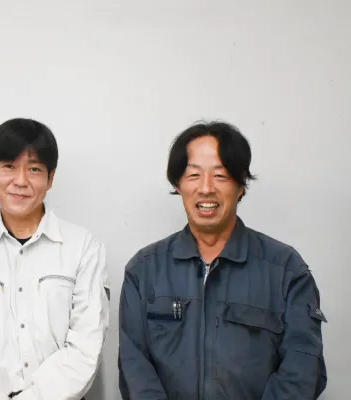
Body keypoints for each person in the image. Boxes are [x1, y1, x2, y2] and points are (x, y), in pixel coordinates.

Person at [118, 121, 327, 399]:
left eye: (220, 175)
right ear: (178, 185)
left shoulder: (286, 270)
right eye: (194, 175)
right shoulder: (144, 271)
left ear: (241, 186)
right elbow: (134, 367)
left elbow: (302, 369)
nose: (206, 188)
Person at [0, 118, 110, 399]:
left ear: (50, 178)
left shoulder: (83, 247)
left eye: (34, 169)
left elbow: (87, 344)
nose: (20, 181)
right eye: (9, 166)